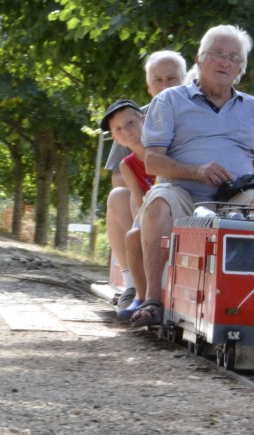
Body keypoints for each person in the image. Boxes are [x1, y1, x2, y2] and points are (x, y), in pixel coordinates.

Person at [131, 24, 254, 327]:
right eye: (218, 54)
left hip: (236, 196)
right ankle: (153, 301)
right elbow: (153, 161)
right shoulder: (170, 100)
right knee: (158, 203)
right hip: (182, 193)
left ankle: (250, 303)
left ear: (240, 68)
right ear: (199, 58)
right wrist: (197, 172)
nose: (225, 62)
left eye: (234, 58)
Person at [104, 50, 187, 314]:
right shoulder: (135, 120)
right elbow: (119, 175)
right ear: (149, 86)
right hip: (149, 197)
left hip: (186, 195)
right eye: (157, 80)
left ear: (185, 79)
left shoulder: (196, 114)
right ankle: (132, 283)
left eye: (172, 79)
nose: (164, 86)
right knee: (119, 196)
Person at [100, 99, 157, 321]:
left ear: (143, 120)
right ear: (115, 137)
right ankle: (138, 293)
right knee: (134, 236)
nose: (126, 131)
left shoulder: (161, 151)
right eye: (119, 129)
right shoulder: (127, 164)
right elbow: (139, 197)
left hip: (168, 206)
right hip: (148, 209)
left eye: (131, 123)